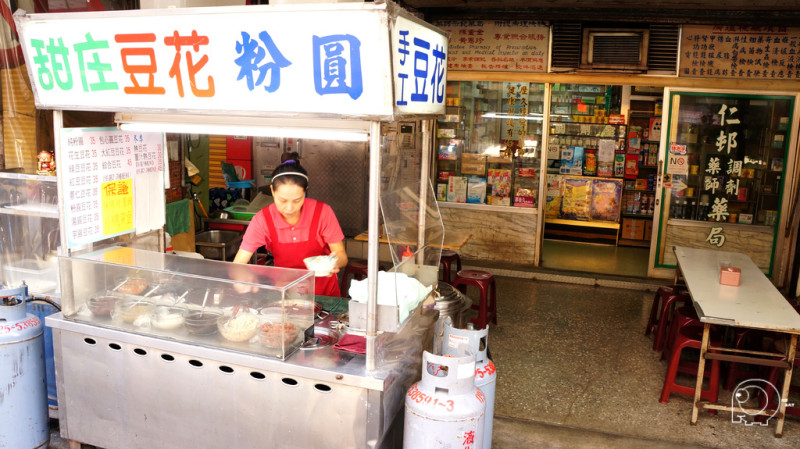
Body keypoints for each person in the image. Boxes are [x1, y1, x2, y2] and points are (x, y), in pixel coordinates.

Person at [232, 154, 347, 297]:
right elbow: (238, 263)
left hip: (323, 294)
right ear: (272, 191)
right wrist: (243, 276)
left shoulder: (322, 212)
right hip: (284, 293)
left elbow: (341, 255)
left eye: (297, 200)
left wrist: (335, 263)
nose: (290, 208)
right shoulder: (263, 219)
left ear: (305, 191)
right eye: (282, 200)